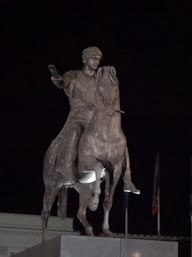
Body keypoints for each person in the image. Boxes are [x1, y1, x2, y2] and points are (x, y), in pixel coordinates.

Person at [47, 46, 140, 194]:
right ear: (85, 59)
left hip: (97, 120)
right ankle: (68, 170)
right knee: (75, 131)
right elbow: (63, 82)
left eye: (98, 59)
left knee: (119, 137)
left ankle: (127, 178)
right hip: (79, 118)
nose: (96, 61)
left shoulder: (99, 80)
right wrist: (58, 80)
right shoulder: (74, 75)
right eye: (93, 58)